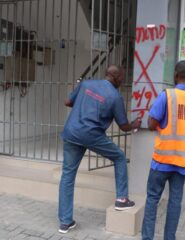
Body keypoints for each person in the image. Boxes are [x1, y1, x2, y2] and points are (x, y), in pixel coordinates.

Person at [58, 65, 141, 233]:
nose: (122, 81)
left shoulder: (86, 84)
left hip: (72, 132)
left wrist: (83, 106)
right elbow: (124, 126)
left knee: (67, 176)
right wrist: (135, 124)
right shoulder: (115, 97)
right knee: (119, 157)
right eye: (122, 79)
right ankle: (122, 199)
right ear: (117, 78)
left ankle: (65, 222)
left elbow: (68, 101)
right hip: (92, 135)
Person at [142, 60, 185, 240]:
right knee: (175, 202)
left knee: (152, 200)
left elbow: (152, 123)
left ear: (176, 76)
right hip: (183, 162)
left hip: (162, 161)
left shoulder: (167, 96)